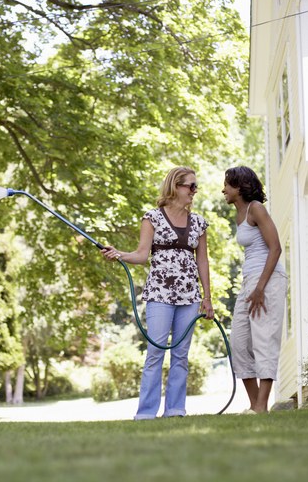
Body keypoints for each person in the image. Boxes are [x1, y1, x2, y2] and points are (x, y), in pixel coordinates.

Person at [101, 166, 214, 420]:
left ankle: (175, 410)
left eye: (196, 186)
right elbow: (142, 255)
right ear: (176, 186)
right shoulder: (152, 217)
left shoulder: (199, 223)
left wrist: (207, 298)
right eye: (191, 186)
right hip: (160, 295)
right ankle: (146, 413)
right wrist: (119, 254)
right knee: (155, 352)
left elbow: (203, 262)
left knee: (181, 355)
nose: (194, 191)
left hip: (189, 296)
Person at [222, 166, 288, 414]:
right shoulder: (239, 215)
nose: (223, 190)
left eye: (228, 185)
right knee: (239, 341)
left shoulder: (256, 209)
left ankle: (261, 406)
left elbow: (276, 248)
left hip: (267, 280)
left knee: (263, 340)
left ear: (239, 187)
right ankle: (254, 405)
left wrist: (260, 287)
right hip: (249, 281)